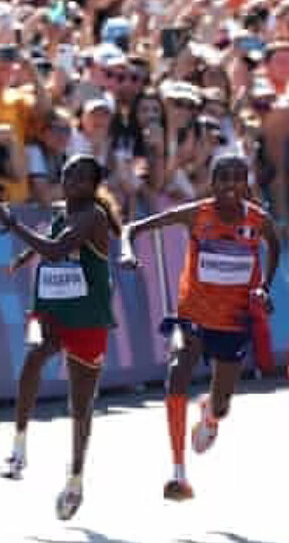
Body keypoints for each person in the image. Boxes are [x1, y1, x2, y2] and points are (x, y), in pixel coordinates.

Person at [119, 154, 280, 500]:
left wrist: (265, 287)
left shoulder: (258, 219)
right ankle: (178, 472)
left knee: (222, 405)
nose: (230, 186)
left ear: (247, 184)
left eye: (238, 178)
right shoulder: (196, 214)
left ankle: (210, 415)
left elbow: (275, 245)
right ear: (212, 183)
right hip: (192, 313)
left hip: (232, 320)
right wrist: (127, 252)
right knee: (178, 370)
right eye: (223, 178)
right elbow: (132, 228)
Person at [0, 155, 121, 521]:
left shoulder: (94, 216)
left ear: (93, 185)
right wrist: (26, 256)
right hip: (52, 307)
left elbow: (58, 248)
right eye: (67, 174)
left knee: (81, 405)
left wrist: (12, 223)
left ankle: (75, 479)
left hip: (87, 316)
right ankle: (18, 449)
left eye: (80, 177)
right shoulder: (63, 211)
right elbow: (51, 239)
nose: (71, 180)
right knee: (33, 357)